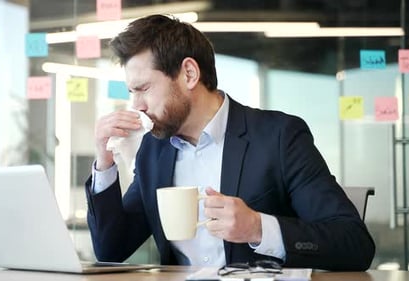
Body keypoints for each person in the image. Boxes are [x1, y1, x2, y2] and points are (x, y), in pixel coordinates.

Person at [85, 14, 375, 271]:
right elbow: (111, 249)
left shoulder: (279, 136)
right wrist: (104, 161)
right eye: (132, 92)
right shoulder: (154, 150)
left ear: (189, 74)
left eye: (144, 89)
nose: (137, 105)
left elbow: (354, 244)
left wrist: (259, 228)